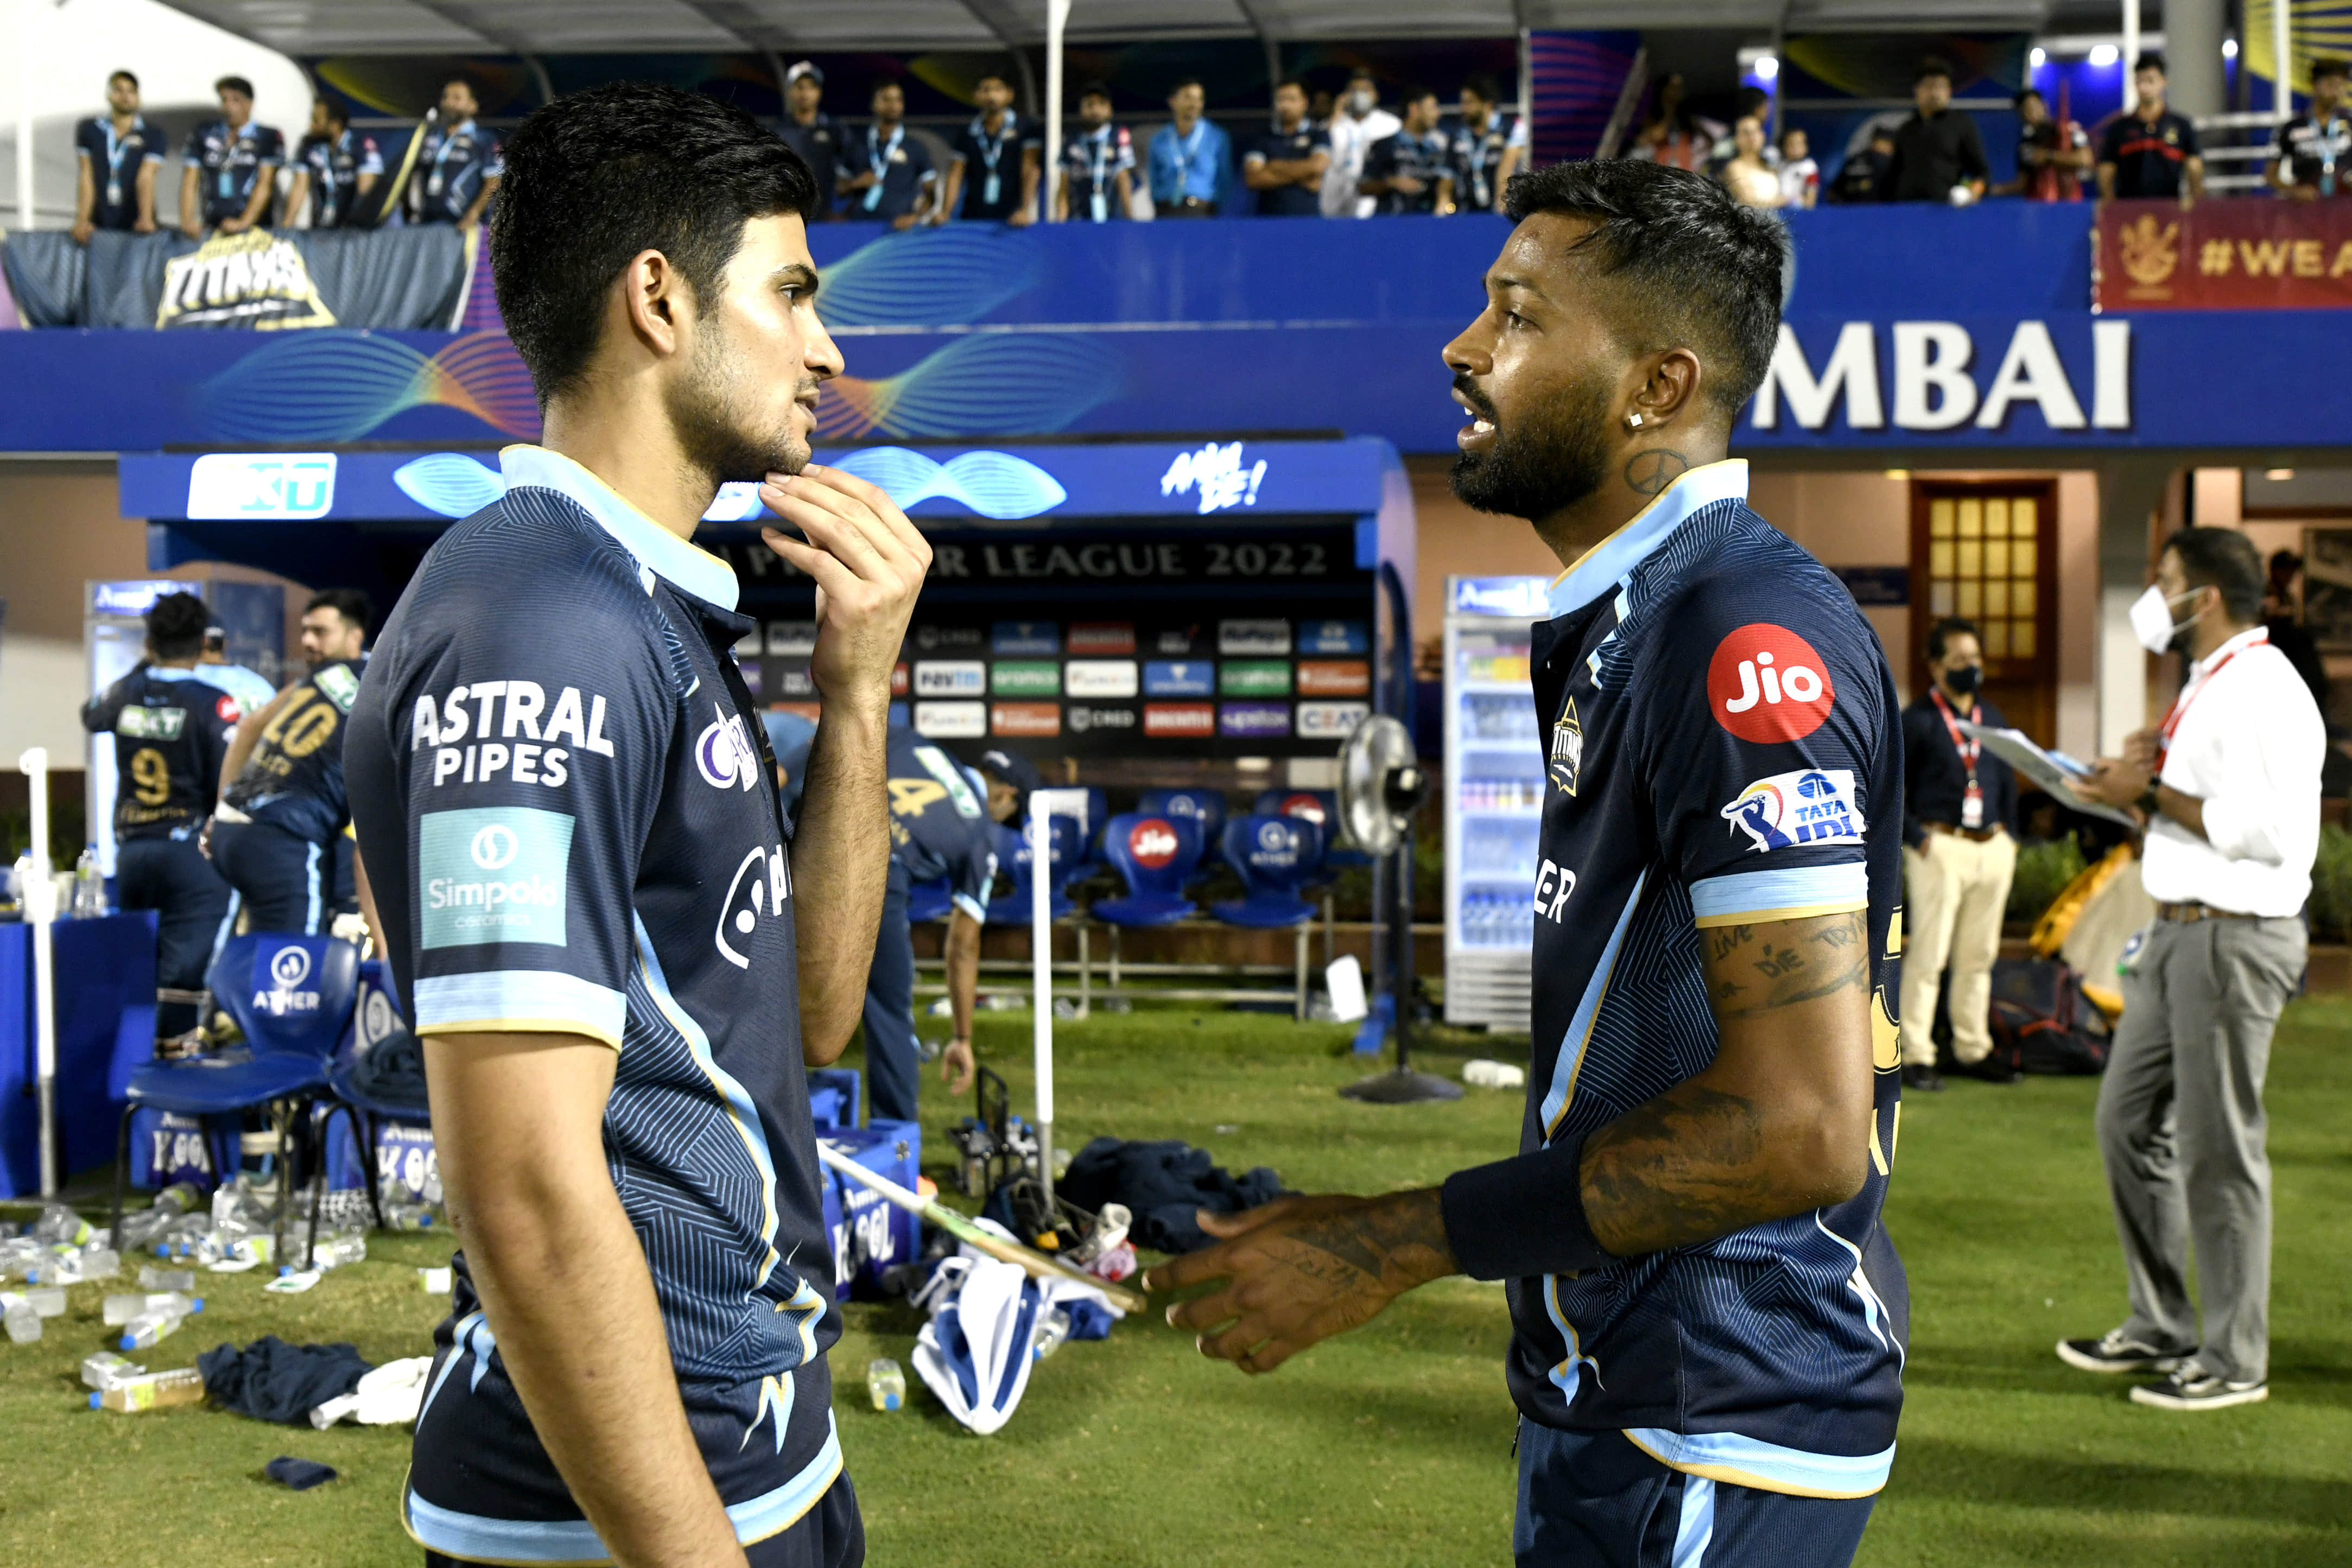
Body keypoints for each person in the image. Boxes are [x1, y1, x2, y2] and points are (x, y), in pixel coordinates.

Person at [1152, 160, 1906, 1566]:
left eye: (1514, 315)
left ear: (1656, 388)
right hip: (1625, 1396)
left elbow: (1799, 1123)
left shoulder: (1739, 638)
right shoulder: (1640, 614)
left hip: (1711, 1416)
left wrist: (1394, 1240)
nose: (1461, 348)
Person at [345, 81, 922, 1565]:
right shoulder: (542, 624)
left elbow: (809, 1017)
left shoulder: (634, 601)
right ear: (658, 300)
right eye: (791, 291)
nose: (827, 348)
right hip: (620, 1504)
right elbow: (525, 1186)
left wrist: (856, 701)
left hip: (757, 1432)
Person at [2064, 527, 2322, 1412]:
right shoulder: (2210, 679)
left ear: (2203, 596)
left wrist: (2145, 792)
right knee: (2126, 1122)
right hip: (2178, 931)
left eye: (2164, 577)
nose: (2152, 591)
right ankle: (2162, 1323)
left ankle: (2233, 1359)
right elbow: (2199, 813)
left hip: (2231, 936)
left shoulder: (2263, 685)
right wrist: (2133, 786)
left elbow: (2271, 834)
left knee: (2220, 1151)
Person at [79, 592, 240, 1045]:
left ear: (149, 642)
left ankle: (139, 1059)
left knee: (141, 963)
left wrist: (144, 667)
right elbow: (228, 779)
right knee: (188, 969)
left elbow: (90, 714)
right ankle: (178, 1062)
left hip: (133, 853)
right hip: (191, 853)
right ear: (203, 641)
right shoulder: (214, 702)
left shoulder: (126, 694)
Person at [1898, 618, 2020, 1093]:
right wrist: (1917, 839)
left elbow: (2007, 780)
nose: (1971, 666)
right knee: (1929, 955)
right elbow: (1892, 786)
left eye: (1975, 657)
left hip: (1991, 846)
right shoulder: (1917, 720)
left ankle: (1972, 1047)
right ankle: (1915, 1053)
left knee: (1978, 955)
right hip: (1940, 845)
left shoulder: (1993, 718)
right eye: (1960, 659)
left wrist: (2009, 837)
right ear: (1935, 666)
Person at [209, 589, 370, 935]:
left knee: (253, 948)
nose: (308, 641)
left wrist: (223, 806)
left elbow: (249, 727)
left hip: (231, 829)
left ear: (355, 636)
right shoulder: (378, 680)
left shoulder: (320, 677)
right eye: (305, 631)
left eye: (320, 632)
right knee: (297, 958)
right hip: (284, 836)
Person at [178, 75, 283, 239]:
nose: (228, 106)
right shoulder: (204, 134)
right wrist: (187, 220)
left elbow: (265, 182)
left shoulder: (267, 136)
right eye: (224, 100)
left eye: (236, 100)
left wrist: (244, 222)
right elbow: (190, 179)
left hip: (256, 231)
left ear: (249, 104)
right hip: (213, 228)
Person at [72, 70, 166, 243]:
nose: (125, 96)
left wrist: (145, 218)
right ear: (109, 95)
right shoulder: (90, 130)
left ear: (138, 97)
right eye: (119, 90)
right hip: (100, 223)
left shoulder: (152, 134)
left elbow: (146, 177)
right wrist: (82, 220)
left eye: (131, 91)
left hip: (136, 225)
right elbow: (87, 176)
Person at [2097, 54, 2203, 206]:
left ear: (2164, 82)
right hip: (2129, 210)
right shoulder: (2119, 129)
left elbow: (2195, 167)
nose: (2144, 87)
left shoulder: (2181, 126)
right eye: (2140, 81)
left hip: (2169, 208)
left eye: (2150, 80)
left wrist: (2195, 203)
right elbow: (2106, 170)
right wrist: (2110, 205)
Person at [939, 73, 1040, 226]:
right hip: (973, 215)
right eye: (986, 90)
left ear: (1010, 95)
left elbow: (1030, 170)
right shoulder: (968, 132)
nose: (992, 96)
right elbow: (956, 175)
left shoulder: (1025, 128)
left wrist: (1025, 210)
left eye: (998, 90)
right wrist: (945, 212)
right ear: (976, 96)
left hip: (1012, 218)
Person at [1881, 58, 1987, 204]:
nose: (1935, 93)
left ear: (1949, 91)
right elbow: (1892, 176)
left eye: (1941, 87)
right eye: (1929, 86)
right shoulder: (1906, 129)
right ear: (1916, 90)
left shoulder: (1961, 125)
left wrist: (1972, 193)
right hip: (1907, 209)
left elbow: (1981, 174)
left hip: (1946, 209)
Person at [410, 78, 502, 233]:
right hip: (426, 224)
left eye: (457, 98)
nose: (449, 103)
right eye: (445, 97)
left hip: (463, 227)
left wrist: (473, 214)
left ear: (473, 106)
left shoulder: (484, 139)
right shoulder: (429, 136)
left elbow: (494, 180)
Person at [842, 79, 937, 230]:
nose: (893, 105)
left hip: (898, 231)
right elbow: (839, 189)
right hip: (859, 228)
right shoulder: (858, 144)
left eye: (898, 100)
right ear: (874, 104)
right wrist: (855, 184)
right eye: (887, 99)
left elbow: (931, 192)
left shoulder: (914, 147)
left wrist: (915, 217)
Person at [287, 99, 383, 231]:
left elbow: (366, 193)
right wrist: (286, 229)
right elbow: (299, 188)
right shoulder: (308, 146)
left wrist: (360, 229)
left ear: (335, 125)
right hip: (320, 230)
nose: (311, 125)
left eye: (316, 120)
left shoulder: (361, 145)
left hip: (353, 231)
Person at [1360, 88, 1454, 217]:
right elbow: (1363, 186)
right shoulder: (1386, 145)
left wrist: (1444, 191)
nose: (1438, 114)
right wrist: (1392, 183)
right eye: (1432, 108)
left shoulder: (1439, 147)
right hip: (1394, 221)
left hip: (1432, 221)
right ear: (1414, 109)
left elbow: (1450, 176)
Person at [1242, 79, 1328, 218]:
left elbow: (1317, 167)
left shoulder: (1318, 135)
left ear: (1304, 103)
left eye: (1291, 99)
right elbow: (1254, 178)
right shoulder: (1262, 137)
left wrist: (1273, 166)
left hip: (1308, 220)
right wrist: (1304, 177)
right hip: (1269, 220)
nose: (1285, 105)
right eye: (1281, 99)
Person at [1321, 69, 1400, 218]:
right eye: (1354, 90)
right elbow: (1323, 148)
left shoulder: (1391, 124)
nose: (1359, 95)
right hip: (1337, 193)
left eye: (1365, 90)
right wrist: (1337, 113)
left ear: (1376, 95)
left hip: (1374, 193)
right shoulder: (1335, 124)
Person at [2268, 57, 2349, 200]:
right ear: (2314, 86)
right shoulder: (2291, 128)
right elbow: (2270, 176)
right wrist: (2294, 191)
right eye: (2331, 84)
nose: (2337, 92)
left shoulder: (2350, 124)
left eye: (2341, 85)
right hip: (2308, 208)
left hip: (2346, 206)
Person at [1148, 79, 1228, 218]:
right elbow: (1153, 179)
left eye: (1199, 99)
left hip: (1203, 212)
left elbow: (1225, 179)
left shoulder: (1217, 137)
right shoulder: (1159, 139)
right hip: (1166, 211)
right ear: (1172, 102)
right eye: (1188, 98)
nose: (1194, 104)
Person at [1450, 74, 1527, 216]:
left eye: (1469, 103)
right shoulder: (1458, 134)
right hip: (1465, 213)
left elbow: (1507, 168)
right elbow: (1449, 172)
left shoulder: (1513, 127)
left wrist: (1500, 207)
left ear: (1487, 104)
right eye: (1462, 103)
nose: (1463, 108)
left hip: (1501, 210)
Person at [1057, 82, 1134, 223]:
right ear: (1081, 109)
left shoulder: (1118, 136)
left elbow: (1124, 179)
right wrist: (1060, 223)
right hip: (1078, 220)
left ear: (1110, 109)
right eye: (1090, 104)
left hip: (1112, 220)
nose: (1095, 110)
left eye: (1101, 104)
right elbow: (1064, 186)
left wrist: (1130, 218)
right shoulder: (1071, 139)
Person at [777, 61, 845, 219]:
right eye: (800, 87)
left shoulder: (835, 130)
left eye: (811, 87)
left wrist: (842, 209)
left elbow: (852, 168)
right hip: (787, 214)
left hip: (826, 216)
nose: (805, 93)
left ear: (819, 92)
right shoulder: (777, 131)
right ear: (790, 91)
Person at [2262, 550, 2328, 709]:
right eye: (2287, 570)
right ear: (2275, 570)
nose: (2291, 576)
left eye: (2292, 571)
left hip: (2290, 654)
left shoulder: (2288, 597)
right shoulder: (2263, 593)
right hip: (2272, 652)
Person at [1999, 87, 2090, 201]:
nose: (2032, 113)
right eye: (2026, 110)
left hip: (2069, 202)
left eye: (2034, 107)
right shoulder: (2026, 144)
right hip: (2038, 204)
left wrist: (2049, 156)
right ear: (2020, 114)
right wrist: (1995, 189)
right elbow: (2022, 183)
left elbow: (2085, 159)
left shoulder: (2068, 130)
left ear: (2044, 105)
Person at [1625, 72, 1716, 172]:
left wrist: (1693, 155)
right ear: (1663, 89)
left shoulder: (1685, 117)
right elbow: (1656, 135)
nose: (1677, 91)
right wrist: (1668, 109)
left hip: (1683, 166)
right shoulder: (1653, 115)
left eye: (1680, 88)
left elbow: (1709, 140)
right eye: (1673, 87)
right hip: (1662, 166)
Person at [195, 625, 278, 715]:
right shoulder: (252, 680)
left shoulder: (191, 676)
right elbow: (272, 704)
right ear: (225, 644)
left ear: (204, 642)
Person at [1717, 113, 1783, 208]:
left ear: (1763, 135)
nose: (1752, 137)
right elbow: (1749, 203)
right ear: (1736, 139)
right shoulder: (1734, 167)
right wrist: (1784, 201)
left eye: (1756, 131)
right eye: (1746, 132)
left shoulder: (1770, 166)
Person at [1827, 125, 1897, 204]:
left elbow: (1834, 193)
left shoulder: (1854, 160)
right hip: (1875, 208)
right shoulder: (1886, 163)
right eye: (1885, 143)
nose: (1888, 148)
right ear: (1875, 143)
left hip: (1850, 208)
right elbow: (1835, 191)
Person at [1777, 126, 1820, 209]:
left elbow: (1811, 201)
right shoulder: (1778, 165)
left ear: (1806, 147)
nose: (1795, 148)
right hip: (1777, 207)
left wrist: (1791, 201)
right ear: (1784, 146)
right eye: (1791, 144)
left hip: (1800, 210)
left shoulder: (1810, 168)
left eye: (1799, 144)